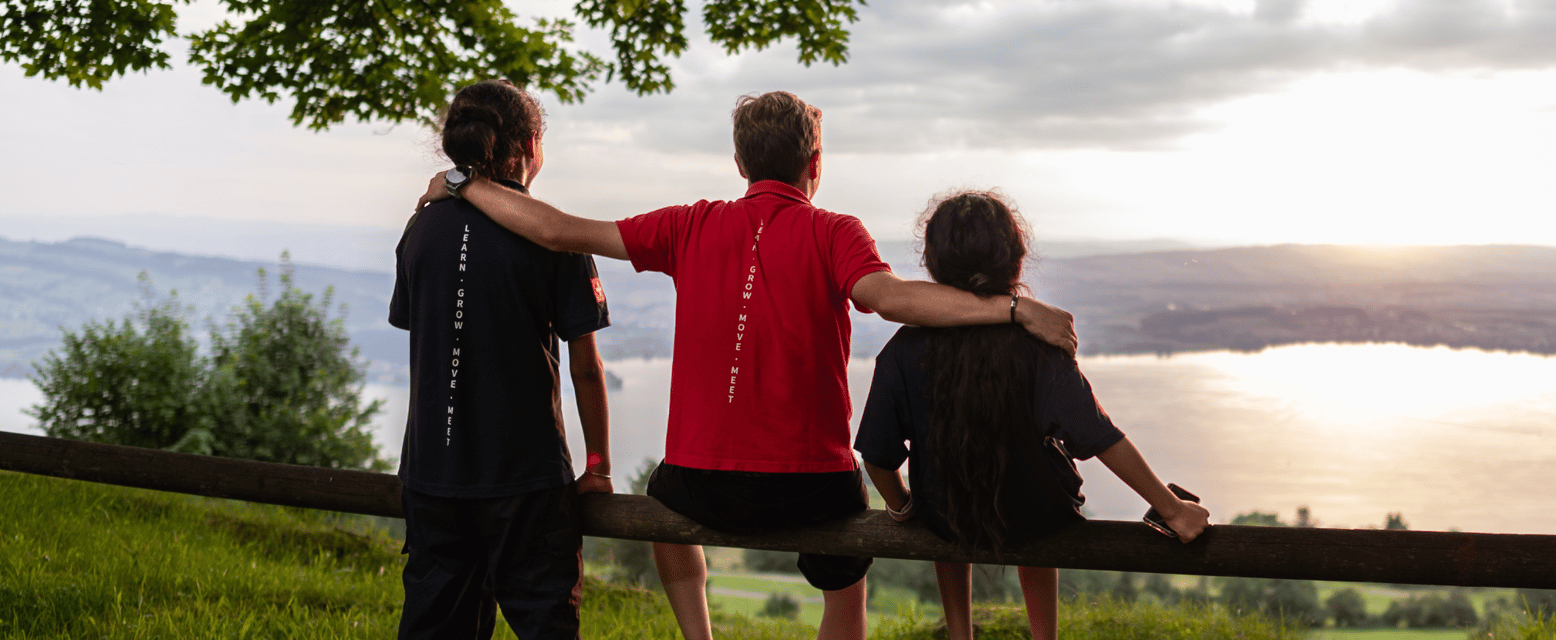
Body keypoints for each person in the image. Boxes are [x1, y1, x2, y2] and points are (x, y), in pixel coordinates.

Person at [416, 91, 1079, 640]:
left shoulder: (688, 224)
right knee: (848, 568)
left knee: (660, 503)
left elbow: (557, 230)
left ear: (739, 162)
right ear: (814, 162)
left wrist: (461, 183)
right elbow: (893, 299)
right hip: (811, 486)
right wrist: (1011, 310)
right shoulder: (835, 232)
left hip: (698, 483)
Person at [854, 189, 1210, 640]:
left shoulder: (903, 350)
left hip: (945, 514)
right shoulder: (1037, 345)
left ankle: (959, 633)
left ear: (932, 262)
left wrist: (904, 507)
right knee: (1038, 506)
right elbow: (1097, 435)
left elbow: (878, 457)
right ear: (1016, 258)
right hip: (1038, 514)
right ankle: (1045, 636)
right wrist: (1171, 508)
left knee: (942, 509)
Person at [389, 79, 614, 640]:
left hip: (431, 474)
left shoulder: (420, 228)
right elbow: (585, 365)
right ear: (532, 145)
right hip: (526, 479)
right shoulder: (551, 236)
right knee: (545, 624)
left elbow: (429, 332)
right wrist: (599, 463)